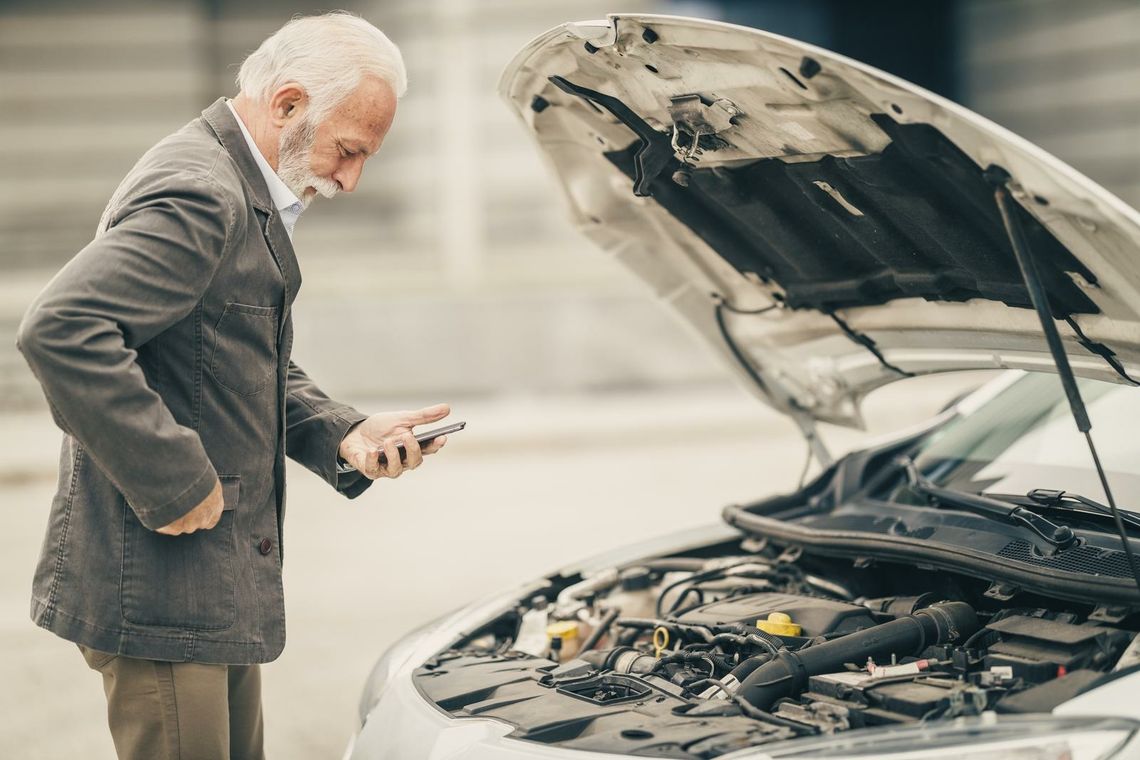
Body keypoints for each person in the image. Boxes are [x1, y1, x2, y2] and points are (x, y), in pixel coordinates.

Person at [15, 12, 446, 760]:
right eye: (349, 150)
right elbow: (62, 328)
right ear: (286, 105)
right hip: (159, 587)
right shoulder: (202, 193)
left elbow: (227, 352)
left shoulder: (231, 179)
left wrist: (342, 431)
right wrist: (174, 478)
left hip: (204, 585)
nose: (348, 181)